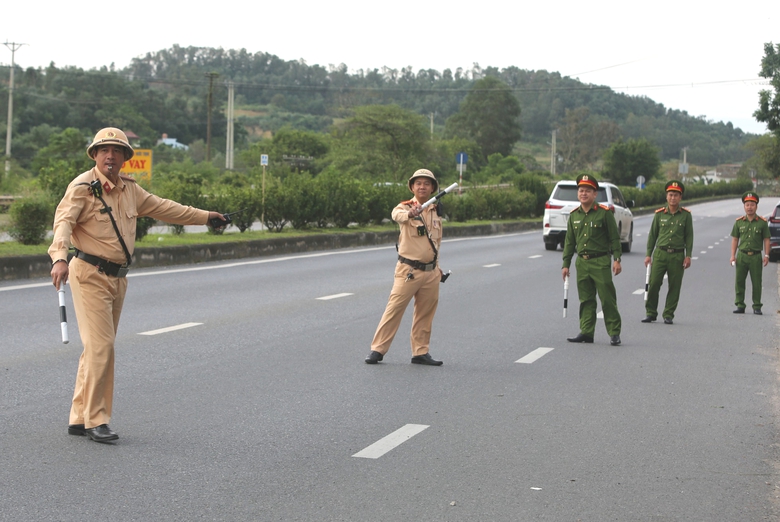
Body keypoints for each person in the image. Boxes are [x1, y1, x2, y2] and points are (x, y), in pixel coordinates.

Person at [49, 127, 226, 443]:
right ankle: (96, 420)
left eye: (117, 151)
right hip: (88, 273)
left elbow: (165, 207)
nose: (111, 156)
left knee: (96, 348)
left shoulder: (130, 190)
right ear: (95, 154)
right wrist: (59, 257)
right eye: (104, 150)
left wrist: (206, 216)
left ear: (126, 158)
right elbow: (63, 223)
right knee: (102, 347)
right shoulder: (81, 188)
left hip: (117, 278)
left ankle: (79, 416)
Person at [366, 169, 445, 366]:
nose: (422, 187)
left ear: (433, 188)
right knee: (394, 309)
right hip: (409, 271)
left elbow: (435, 242)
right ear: (412, 187)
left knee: (425, 313)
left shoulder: (435, 211)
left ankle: (420, 352)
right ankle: (378, 349)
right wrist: (410, 214)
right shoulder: (405, 207)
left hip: (431, 272)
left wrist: (438, 267)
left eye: (427, 184)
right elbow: (397, 215)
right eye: (418, 183)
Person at [561, 174, 623, 346]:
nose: (584, 194)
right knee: (586, 299)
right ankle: (587, 332)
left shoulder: (604, 213)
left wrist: (617, 259)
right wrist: (565, 264)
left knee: (607, 298)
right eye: (581, 190)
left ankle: (614, 332)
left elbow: (614, 238)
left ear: (595, 194)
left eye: (588, 191)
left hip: (600, 262)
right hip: (582, 262)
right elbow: (569, 242)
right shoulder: (574, 215)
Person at [641, 180, 694, 325]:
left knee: (674, 286)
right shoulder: (659, 214)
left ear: (680, 197)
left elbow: (689, 236)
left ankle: (668, 314)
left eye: (676, 195)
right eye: (670, 195)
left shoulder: (686, 215)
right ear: (666, 196)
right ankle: (651, 313)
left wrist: (688, 255)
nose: (673, 198)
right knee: (654, 283)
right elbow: (653, 235)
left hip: (677, 255)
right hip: (660, 254)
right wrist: (648, 254)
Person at [730, 191, 771, 315]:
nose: (749, 207)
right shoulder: (739, 222)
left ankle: (757, 306)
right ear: (744, 207)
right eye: (747, 205)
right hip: (742, 255)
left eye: (752, 204)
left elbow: (766, 239)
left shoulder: (762, 222)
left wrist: (767, 255)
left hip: (756, 256)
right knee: (739, 282)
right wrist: (733, 255)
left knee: (757, 282)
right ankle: (740, 304)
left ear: (756, 206)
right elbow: (735, 239)